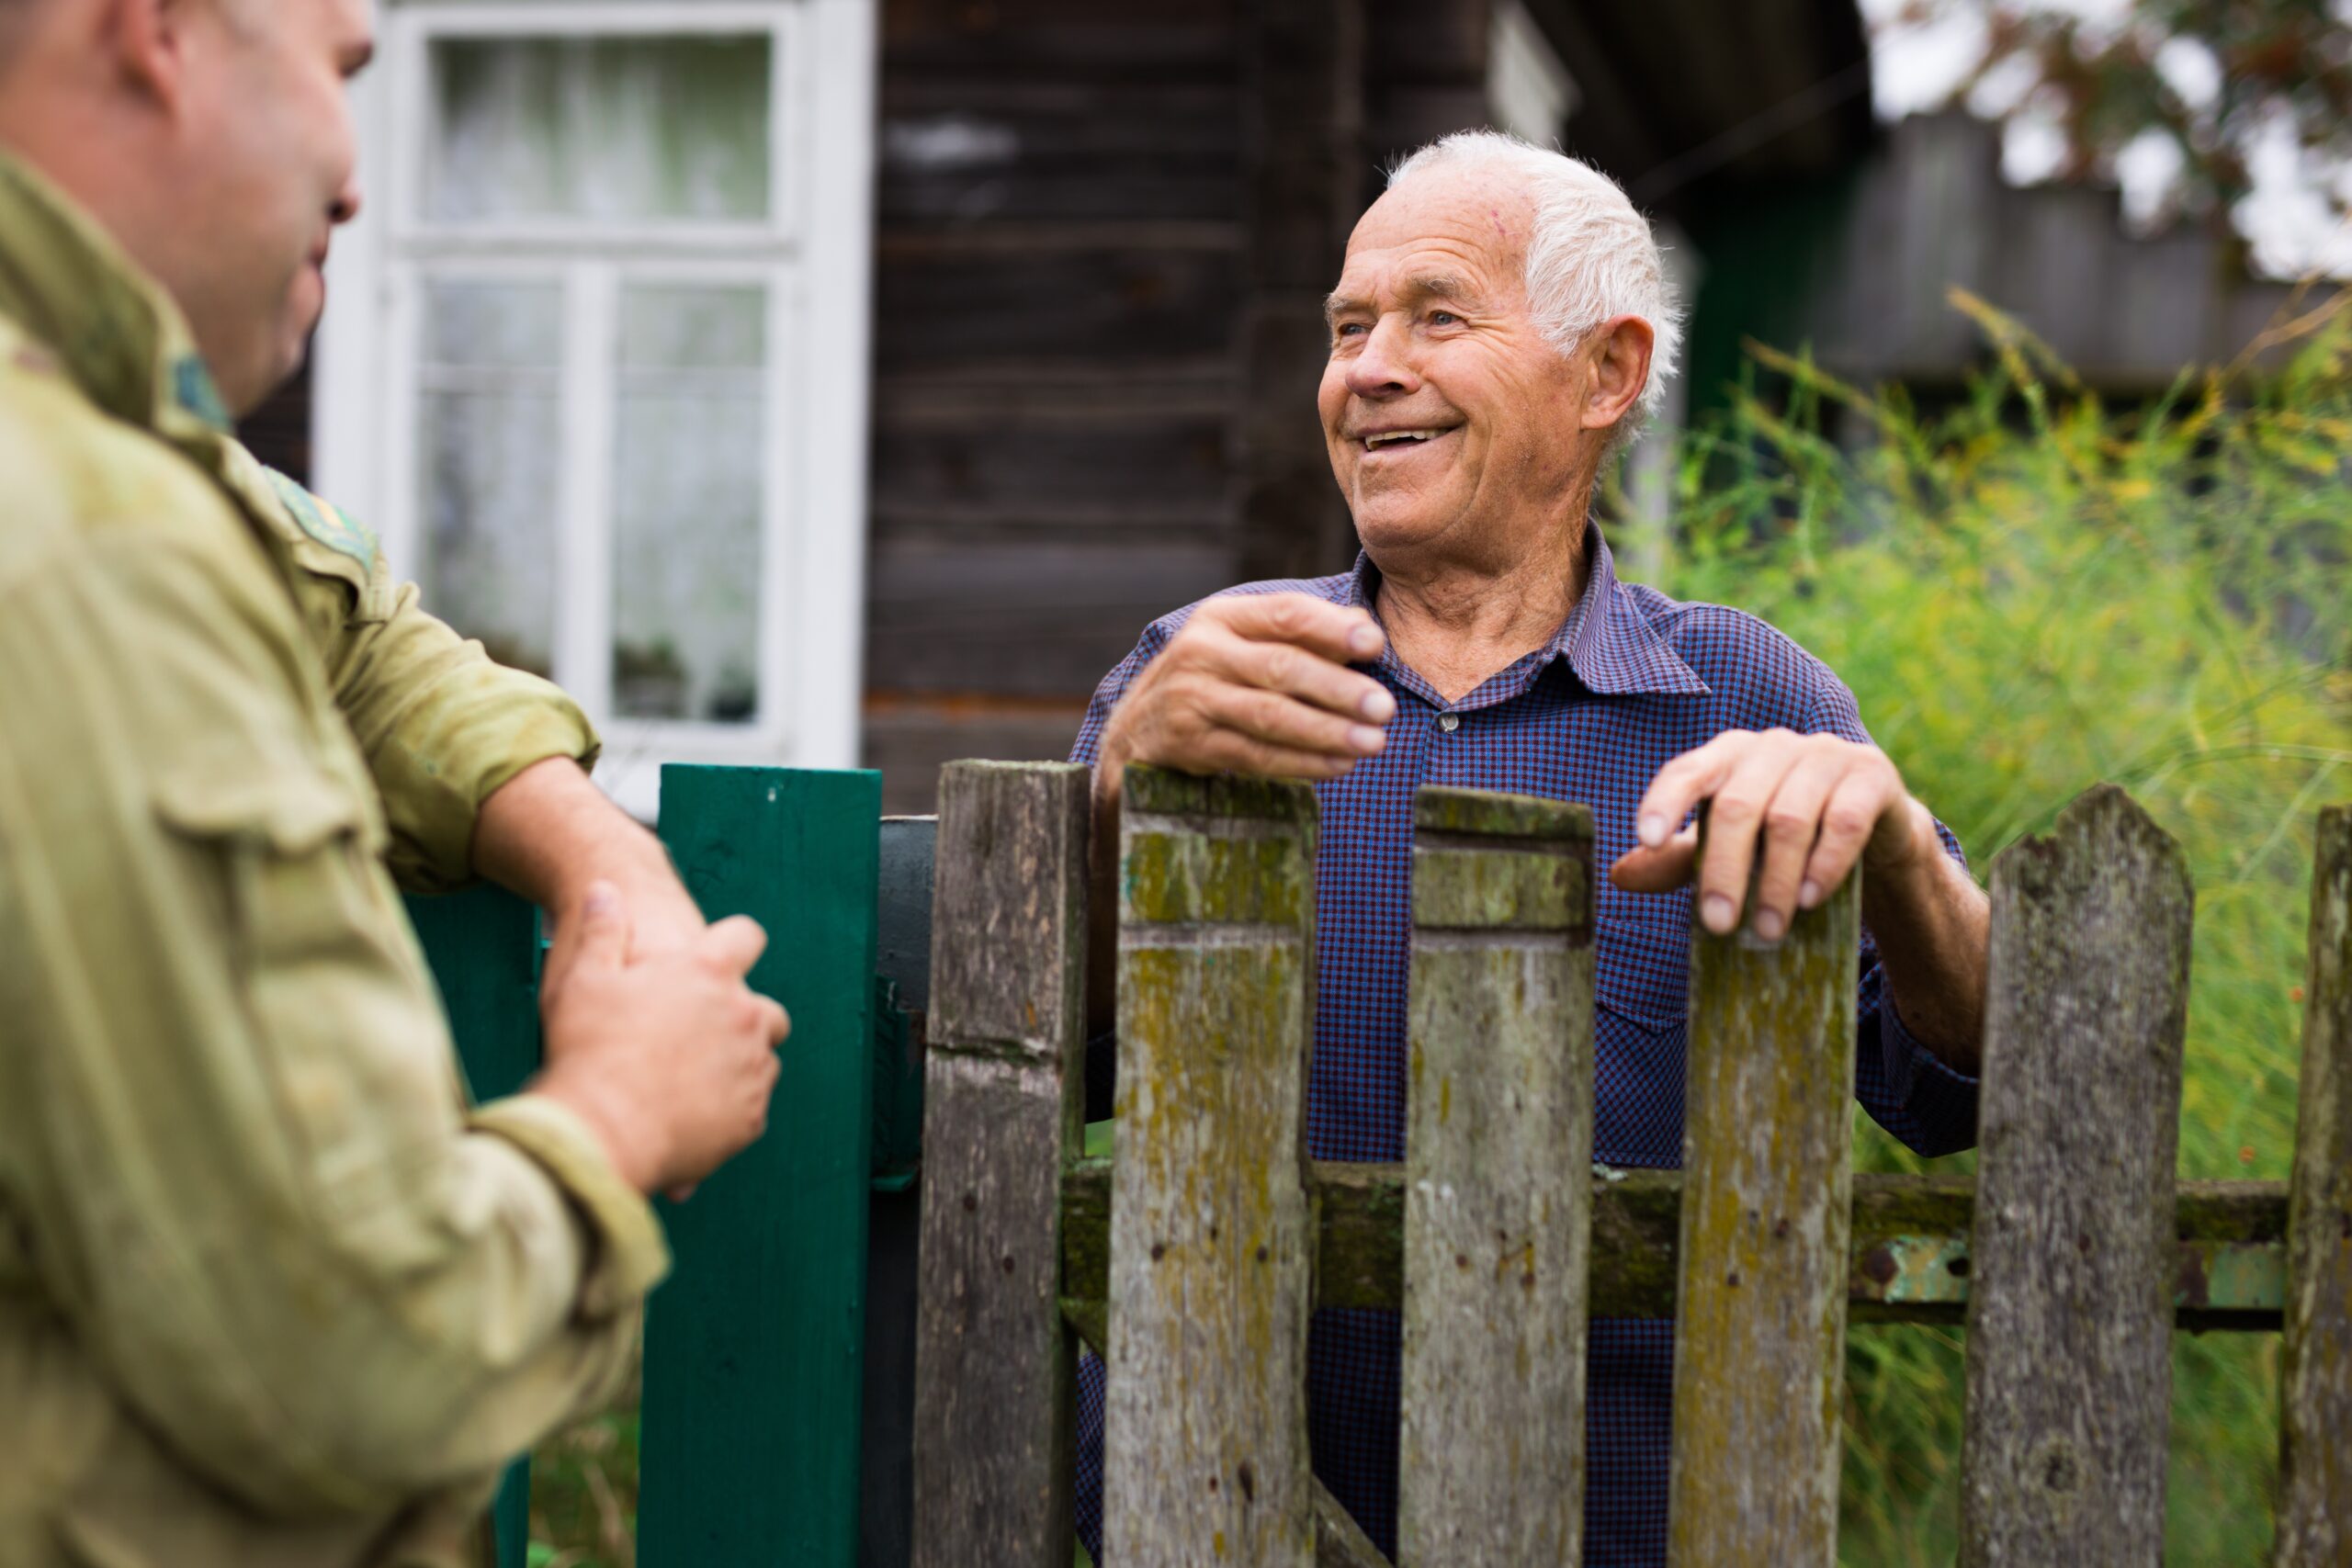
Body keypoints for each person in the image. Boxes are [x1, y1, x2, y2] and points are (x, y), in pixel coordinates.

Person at [1071, 130, 1992, 1565]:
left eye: (1437, 315)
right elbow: (1027, 1072)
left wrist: (1898, 854)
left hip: (1622, 1528)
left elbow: (1968, 1089)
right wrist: (1123, 780)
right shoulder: (1212, 672)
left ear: (1606, 375)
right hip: (1214, 1512)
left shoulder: (1747, 700)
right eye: (1347, 327)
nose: (1368, 366)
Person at [0, 2, 790, 1562]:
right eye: (338, 70)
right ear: (156, 32)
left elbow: (336, 620)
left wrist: (596, 859)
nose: (355, 181)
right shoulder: (79, 547)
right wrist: (620, 1113)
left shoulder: (102, 463)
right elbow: (345, 1349)